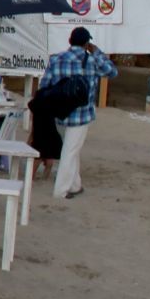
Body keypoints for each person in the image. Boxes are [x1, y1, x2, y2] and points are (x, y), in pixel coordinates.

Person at [40, 26, 120, 199]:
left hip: (59, 112)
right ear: (87, 43)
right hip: (82, 114)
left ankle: (76, 185)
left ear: (70, 41)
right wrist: (97, 52)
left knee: (70, 149)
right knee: (70, 151)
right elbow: (112, 72)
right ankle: (60, 190)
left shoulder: (56, 59)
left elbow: (44, 85)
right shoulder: (92, 61)